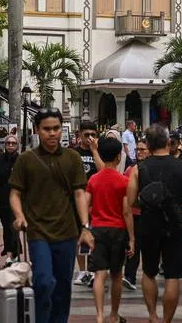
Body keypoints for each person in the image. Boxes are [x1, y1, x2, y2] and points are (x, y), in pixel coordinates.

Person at [9, 108, 94, 323]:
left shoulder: (72, 158)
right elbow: (15, 193)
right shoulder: (26, 159)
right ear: (37, 130)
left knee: (63, 288)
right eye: (47, 129)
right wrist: (19, 216)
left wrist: (85, 227)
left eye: (56, 128)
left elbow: (79, 193)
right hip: (38, 232)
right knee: (43, 281)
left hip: (67, 232)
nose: (52, 133)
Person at [127, 123, 182, 323]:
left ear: (148, 145)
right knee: (172, 275)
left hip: (148, 223)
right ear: (168, 142)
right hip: (174, 225)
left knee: (149, 271)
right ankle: (167, 320)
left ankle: (153, 316)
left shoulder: (138, 169)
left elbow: (131, 200)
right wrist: (179, 209)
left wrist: (145, 205)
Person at [86, 136, 135, 323]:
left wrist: (88, 224)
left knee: (99, 274)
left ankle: (99, 316)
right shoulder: (123, 181)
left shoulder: (93, 180)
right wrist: (132, 238)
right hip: (117, 230)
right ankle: (114, 315)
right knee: (116, 275)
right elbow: (127, 211)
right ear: (118, 157)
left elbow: (86, 204)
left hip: (98, 229)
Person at [73, 119, 102, 286]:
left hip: (95, 200)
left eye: (93, 134)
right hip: (78, 200)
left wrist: (95, 151)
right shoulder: (73, 153)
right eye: (86, 134)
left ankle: (92, 270)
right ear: (80, 135)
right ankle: (82, 270)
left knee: (94, 235)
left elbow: (103, 171)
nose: (89, 137)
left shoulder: (98, 151)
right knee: (79, 235)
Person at [0, 135, 22, 265]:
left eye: (13, 143)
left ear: (17, 145)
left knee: (13, 226)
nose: (10, 145)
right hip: (3, 198)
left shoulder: (21, 160)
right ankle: (14, 253)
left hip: (18, 199)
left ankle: (10, 254)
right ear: (5, 145)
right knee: (6, 227)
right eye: (8, 143)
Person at [122, 139, 150, 291]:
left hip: (149, 213)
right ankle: (129, 276)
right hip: (133, 214)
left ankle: (149, 274)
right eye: (137, 149)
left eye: (142, 149)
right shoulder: (130, 170)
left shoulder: (152, 169)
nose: (139, 152)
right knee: (132, 244)